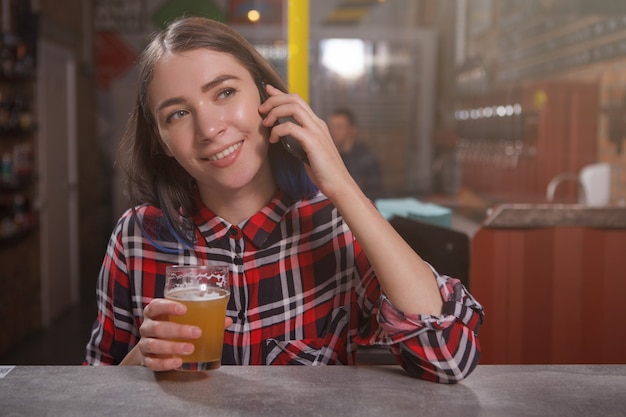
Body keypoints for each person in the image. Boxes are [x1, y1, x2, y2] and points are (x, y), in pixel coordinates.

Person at [85, 16, 483, 383]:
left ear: (265, 97)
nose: (208, 128)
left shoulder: (333, 224)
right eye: (177, 114)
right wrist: (142, 358)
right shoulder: (135, 238)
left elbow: (448, 356)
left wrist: (342, 186)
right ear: (162, 143)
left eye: (224, 92)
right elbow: (91, 393)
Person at [328, 108, 383, 199]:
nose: (333, 132)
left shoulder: (365, 157)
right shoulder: (332, 155)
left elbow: (375, 192)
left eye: (339, 127)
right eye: (331, 127)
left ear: (352, 130)